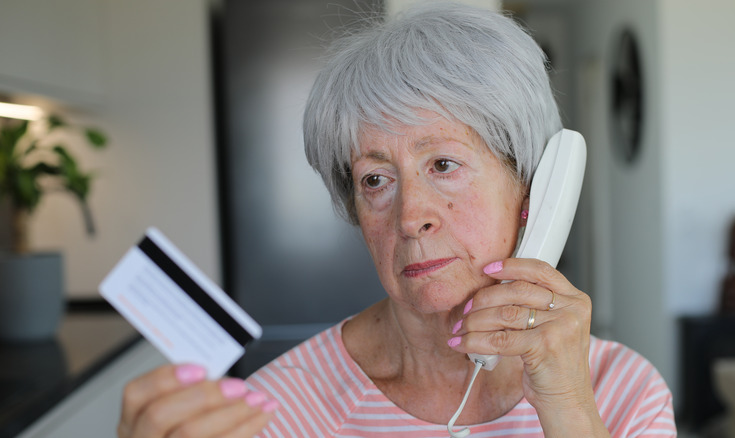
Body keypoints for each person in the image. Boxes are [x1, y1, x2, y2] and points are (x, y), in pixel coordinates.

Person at [118, 3, 676, 437]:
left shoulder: (621, 390)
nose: (411, 218)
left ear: (530, 190)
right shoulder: (281, 407)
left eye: (444, 164)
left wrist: (569, 409)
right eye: (375, 180)